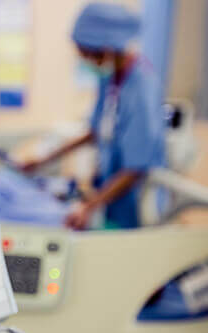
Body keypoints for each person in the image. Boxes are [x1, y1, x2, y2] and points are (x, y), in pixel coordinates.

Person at [23, 2, 166, 230]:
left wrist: (90, 206)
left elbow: (136, 166)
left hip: (133, 203)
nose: (86, 61)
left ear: (107, 48)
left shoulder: (142, 86)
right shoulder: (110, 79)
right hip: (107, 195)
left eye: (88, 54)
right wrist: (43, 159)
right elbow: (95, 131)